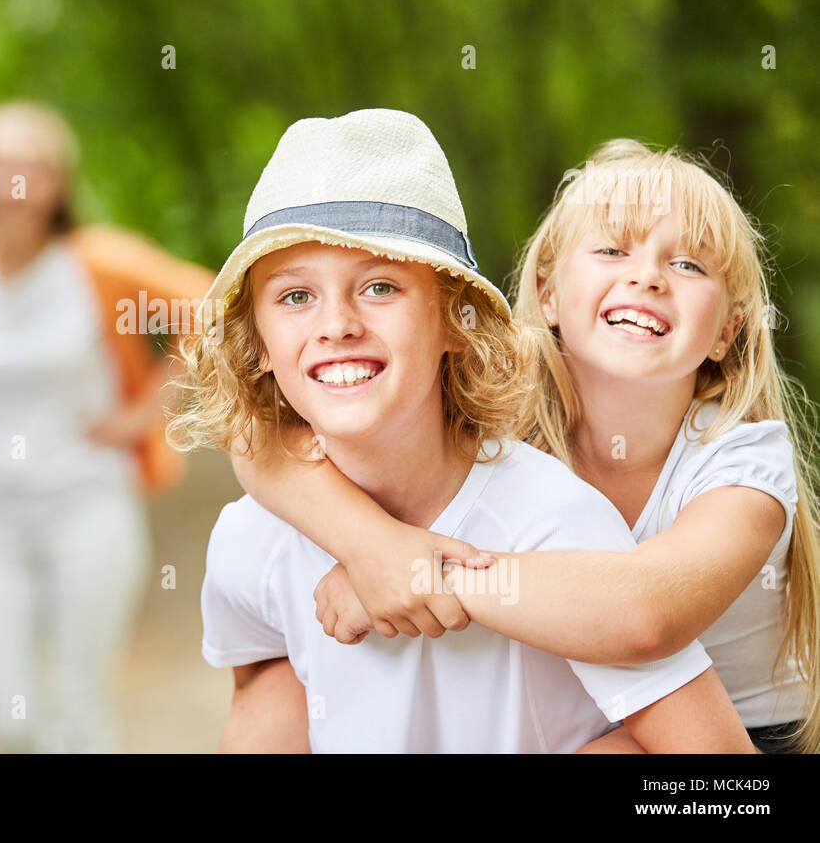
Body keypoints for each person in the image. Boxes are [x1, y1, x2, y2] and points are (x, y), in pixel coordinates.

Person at [168, 108, 756, 752]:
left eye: (381, 286)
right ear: (257, 343)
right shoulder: (251, 541)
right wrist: (371, 549)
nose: (335, 324)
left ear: (456, 321)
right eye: (296, 297)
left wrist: (428, 575)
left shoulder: (553, 525)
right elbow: (262, 692)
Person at [0, 100, 215, 752]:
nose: (12, 181)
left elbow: (210, 307)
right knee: (9, 721)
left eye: (29, 166)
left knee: (77, 713)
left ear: (58, 184)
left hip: (87, 505)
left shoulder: (99, 264)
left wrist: (147, 412)